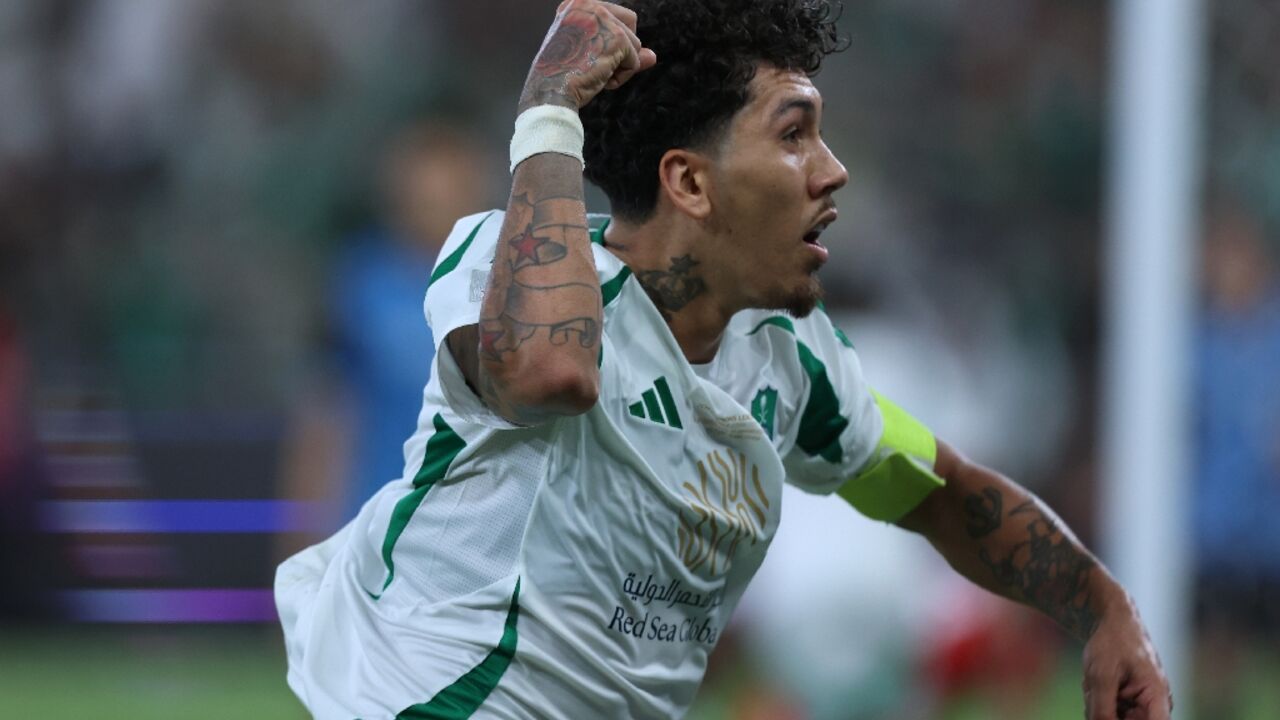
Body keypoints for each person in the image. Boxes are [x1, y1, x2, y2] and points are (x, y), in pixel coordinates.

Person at [274, 2, 1171, 718]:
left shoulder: (792, 361)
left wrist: (1103, 611)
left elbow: (939, 490)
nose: (833, 170)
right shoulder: (506, 265)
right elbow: (549, 374)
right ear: (690, 184)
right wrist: (549, 117)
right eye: (794, 135)